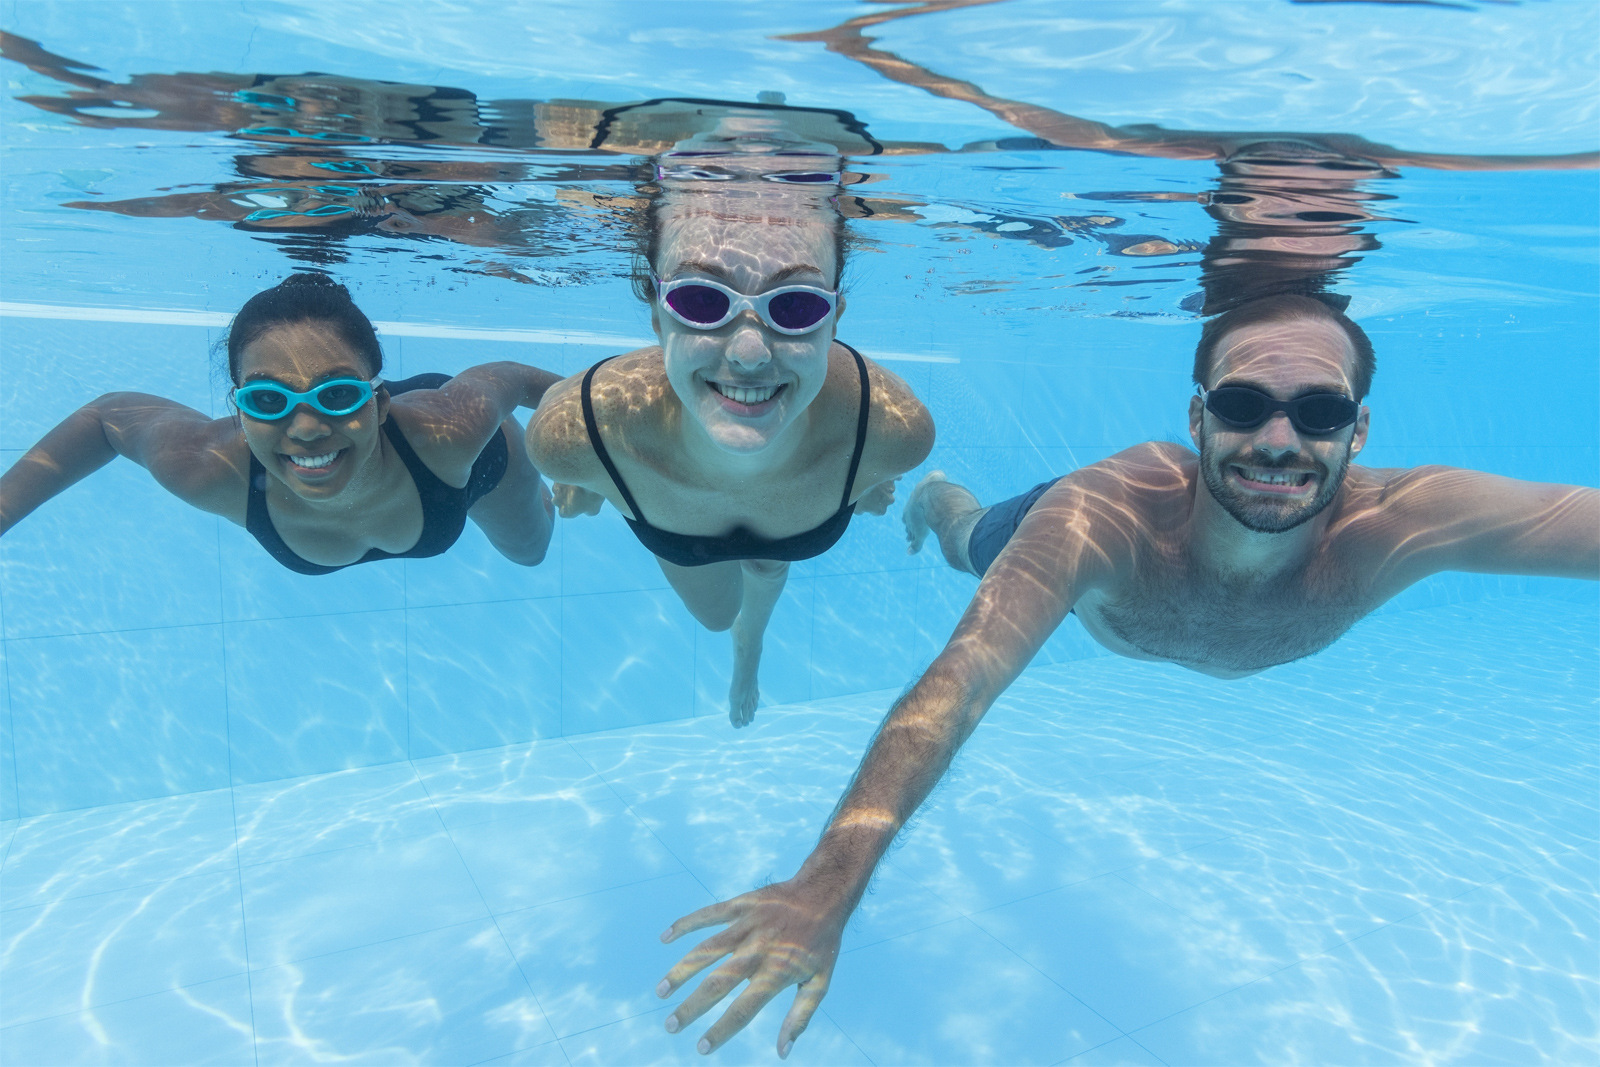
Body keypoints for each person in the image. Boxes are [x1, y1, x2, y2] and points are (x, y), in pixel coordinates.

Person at [652, 293, 1599, 1057]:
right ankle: (936, 499)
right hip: (1062, 544)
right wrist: (827, 882)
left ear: (1357, 430)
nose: (1278, 441)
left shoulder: (1403, 521)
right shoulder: (1099, 518)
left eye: (1319, 411)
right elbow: (959, 682)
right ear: (1197, 417)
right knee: (966, 542)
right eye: (1242, 406)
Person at [528, 150, 934, 726]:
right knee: (717, 615)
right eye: (700, 301)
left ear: (833, 322)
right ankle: (737, 630)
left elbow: (879, 452)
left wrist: (866, 478)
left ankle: (752, 645)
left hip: (787, 508)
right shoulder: (577, 434)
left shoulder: (892, 431)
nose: (749, 354)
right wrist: (592, 473)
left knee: (768, 566)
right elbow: (565, 429)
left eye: (795, 305)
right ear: (657, 317)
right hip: (670, 503)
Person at [0, 273, 557, 571]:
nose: (306, 427)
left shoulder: (451, 429)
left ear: (380, 401)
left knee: (529, 553)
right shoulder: (208, 469)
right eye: (269, 400)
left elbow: (511, 378)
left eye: (336, 392)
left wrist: (580, 457)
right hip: (371, 432)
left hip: (469, 461)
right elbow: (106, 418)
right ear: (239, 410)